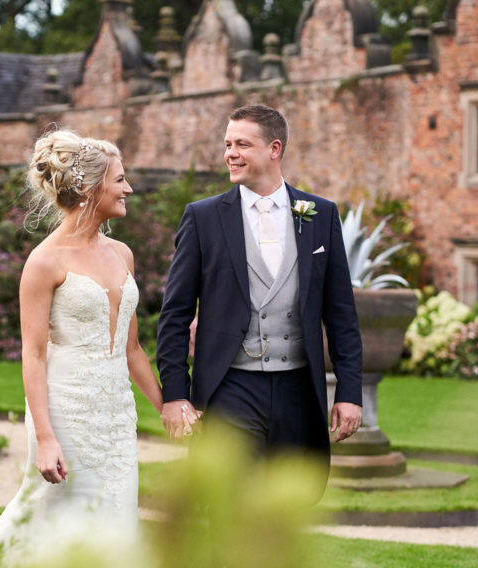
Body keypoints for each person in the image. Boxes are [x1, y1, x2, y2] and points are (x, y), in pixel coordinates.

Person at [0, 129, 170, 568]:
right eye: (120, 180)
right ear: (89, 188)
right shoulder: (44, 262)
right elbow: (34, 355)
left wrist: (168, 406)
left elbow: (132, 347)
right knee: (48, 523)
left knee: (116, 525)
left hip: (116, 417)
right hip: (66, 413)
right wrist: (45, 439)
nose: (129, 188)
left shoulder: (123, 254)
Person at [155, 104, 363, 488]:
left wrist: (350, 392)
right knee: (227, 503)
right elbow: (175, 315)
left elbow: (341, 315)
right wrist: (174, 395)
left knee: (291, 503)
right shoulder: (202, 217)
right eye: (227, 144)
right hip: (229, 388)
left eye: (242, 145)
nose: (230, 153)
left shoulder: (319, 214)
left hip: (299, 389)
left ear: (274, 149)